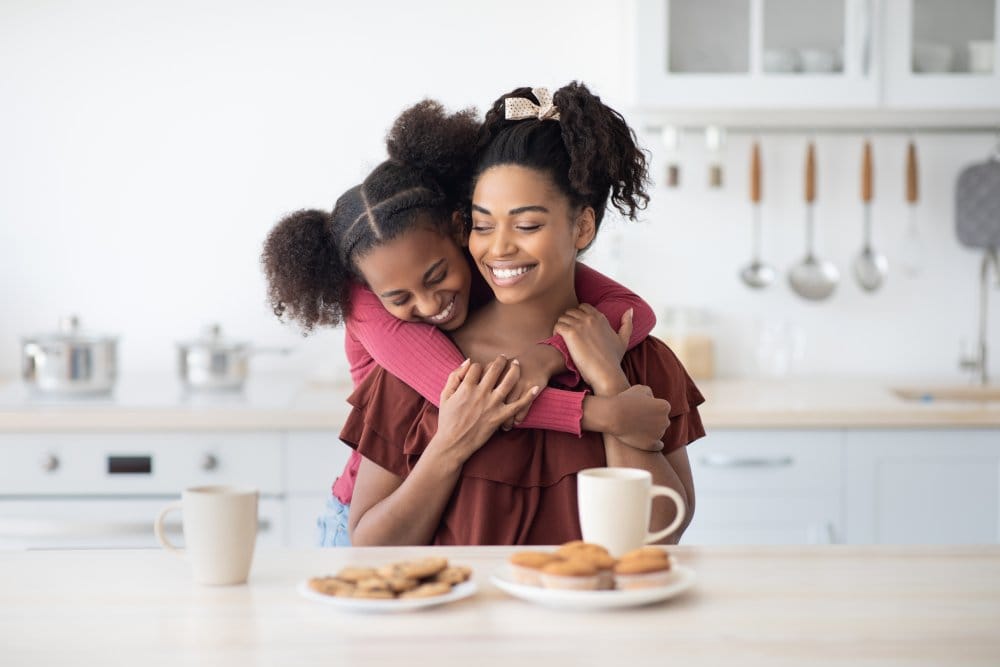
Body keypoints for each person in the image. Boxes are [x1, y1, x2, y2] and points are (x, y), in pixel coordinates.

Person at [261, 100, 669, 546]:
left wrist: (557, 357)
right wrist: (601, 413)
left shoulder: (486, 264)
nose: (429, 302)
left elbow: (630, 308)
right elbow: (467, 396)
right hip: (368, 506)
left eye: (527, 224)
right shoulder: (372, 305)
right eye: (486, 225)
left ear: (457, 230)